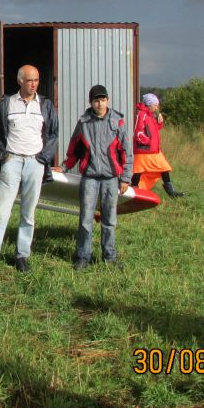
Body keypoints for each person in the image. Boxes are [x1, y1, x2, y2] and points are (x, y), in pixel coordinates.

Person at [0, 65, 58, 275]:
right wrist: (3, 155)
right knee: (1, 212)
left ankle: (22, 256)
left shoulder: (46, 105)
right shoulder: (7, 104)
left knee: (28, 213)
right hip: (11, 161)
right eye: (30, 80)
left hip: (35, 163)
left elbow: (53, 134)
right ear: (20, 80)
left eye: (37, 80)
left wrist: (43, 159)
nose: (34, 84)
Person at [63, 84, 133, 270]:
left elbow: (126, 151)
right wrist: (64, 167)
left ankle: (109, 256)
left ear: (108, 101)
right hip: (90, 177)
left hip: (111, 178)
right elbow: (74, 149)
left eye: (103, 100)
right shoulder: (83, 123)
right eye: (96, 100)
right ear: (90, 102)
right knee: (86, 218)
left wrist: (125, 178)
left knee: (109, 219)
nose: (100, 104)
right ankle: (83, 257)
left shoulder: (118, 122)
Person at [131, 93, 184, 198]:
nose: (156, 107)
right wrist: (147, 141)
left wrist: (159, 123)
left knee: (163, 168)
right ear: (149, 104)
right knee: (138, 171)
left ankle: (171, 193)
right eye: (155, 105)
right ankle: (134, 192)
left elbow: (154, 130)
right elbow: (137, 132)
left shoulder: (150, 116)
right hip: (144, 151)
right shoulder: (141, 115)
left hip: (153, 151)